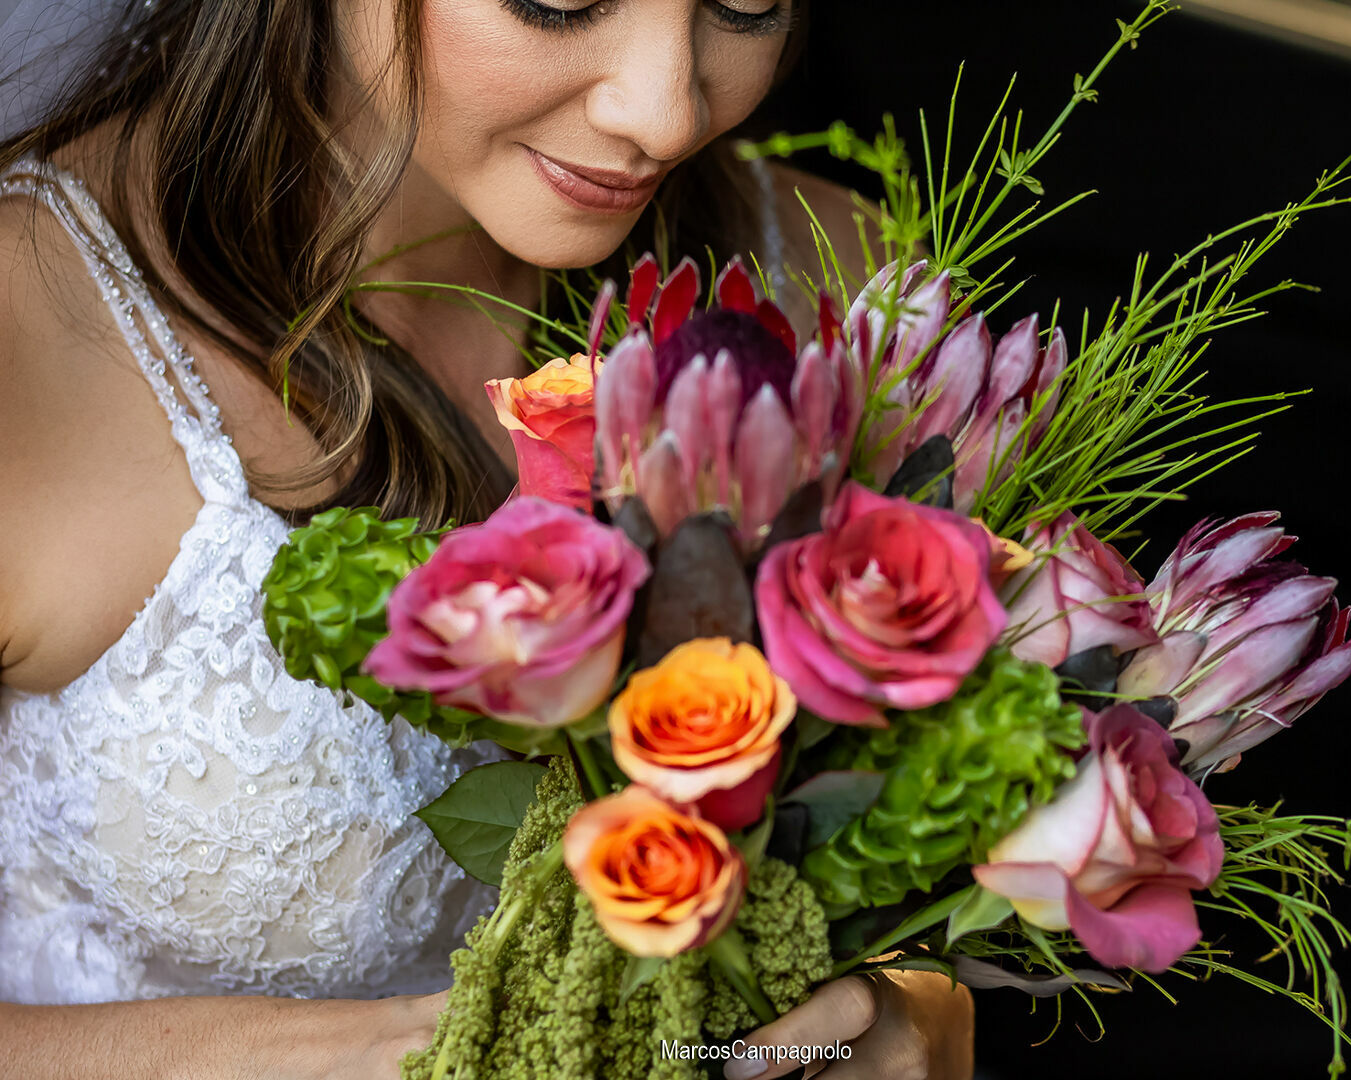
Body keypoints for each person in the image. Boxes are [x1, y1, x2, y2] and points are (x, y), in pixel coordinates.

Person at [0, 1, 976, 1078]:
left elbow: (915, 875)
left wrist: (917, 1015)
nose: (663, 111)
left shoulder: (852, 288)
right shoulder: (28, 340)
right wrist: (383, 1057)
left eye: (744, 4)